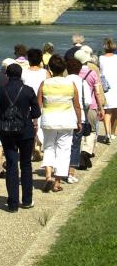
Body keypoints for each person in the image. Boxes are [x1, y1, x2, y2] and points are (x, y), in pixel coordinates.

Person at [0, 63, 41, 211]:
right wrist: (26, 116)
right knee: (26, 165)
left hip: (7, 132)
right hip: (26, 132)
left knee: (12, 165)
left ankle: (12, 203)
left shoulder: (1, 91)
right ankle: (27, 200)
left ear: (7, 75)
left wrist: (7, 115)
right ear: (21, 75)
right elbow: (37, 112)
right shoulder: (28, 90)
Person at [38, 55, 81, 193]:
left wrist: (34, 121)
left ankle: (48, 175)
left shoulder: (44, 84)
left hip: (49, 120)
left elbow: (38, 105)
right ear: (64, 69)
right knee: (64, 150)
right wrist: (79, 121)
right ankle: (57, 182)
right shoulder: (71, 84)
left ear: (50, 68)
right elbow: (77, 106)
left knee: (49, 147)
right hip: (66, 120)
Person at [75, 46, 106, 159]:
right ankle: (86, 151)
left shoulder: (73, 73)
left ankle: (79, 151)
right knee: (92, 130)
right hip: (91, 105)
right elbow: (97, 93)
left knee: (78, 129)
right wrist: (101, 108)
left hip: (76, 105)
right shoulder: (92, 73)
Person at [0, 58, 17, 177]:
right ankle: (10, 165)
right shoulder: (12, 79)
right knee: (11, 142)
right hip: (9, 115)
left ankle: (0, 168)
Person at [65, 58, 92, 184]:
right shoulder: (82, 82)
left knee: (63, 145)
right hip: (78, 117)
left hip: (64, 116)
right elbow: (88, 102)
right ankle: (70, 172)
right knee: (75, 146)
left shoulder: (64, 81)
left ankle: (60, 169)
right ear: (79, 70)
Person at [22, 48, 49, 161]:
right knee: (41, 126)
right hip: (41, 103)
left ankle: (33, 148)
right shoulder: (45, 73)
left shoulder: (23, 72)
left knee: (29, 127)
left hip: (26, 103)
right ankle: (38, 145)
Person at [99, 37, 117, 143]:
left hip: (105, 86)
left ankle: (107, 134)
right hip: (116, 85)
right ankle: (113, 132)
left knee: (107, 111)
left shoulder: (101, 58)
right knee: (116, 110)